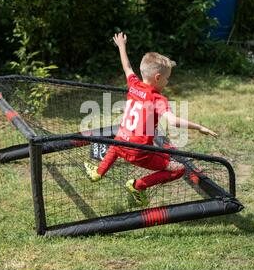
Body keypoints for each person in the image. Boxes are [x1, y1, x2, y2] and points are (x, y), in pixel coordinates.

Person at [84, 32, 217, 206]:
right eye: (167, 79)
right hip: (139, 151)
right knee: (179, 169)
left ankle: (98, 172)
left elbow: (127, 67)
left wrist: (122, 46)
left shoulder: (134, 85)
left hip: (120, 143)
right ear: (158, 78)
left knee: (119, 142)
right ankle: (138, 185)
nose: (167, 82)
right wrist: (199, 127)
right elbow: (172, 121)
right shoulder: (157, 98)